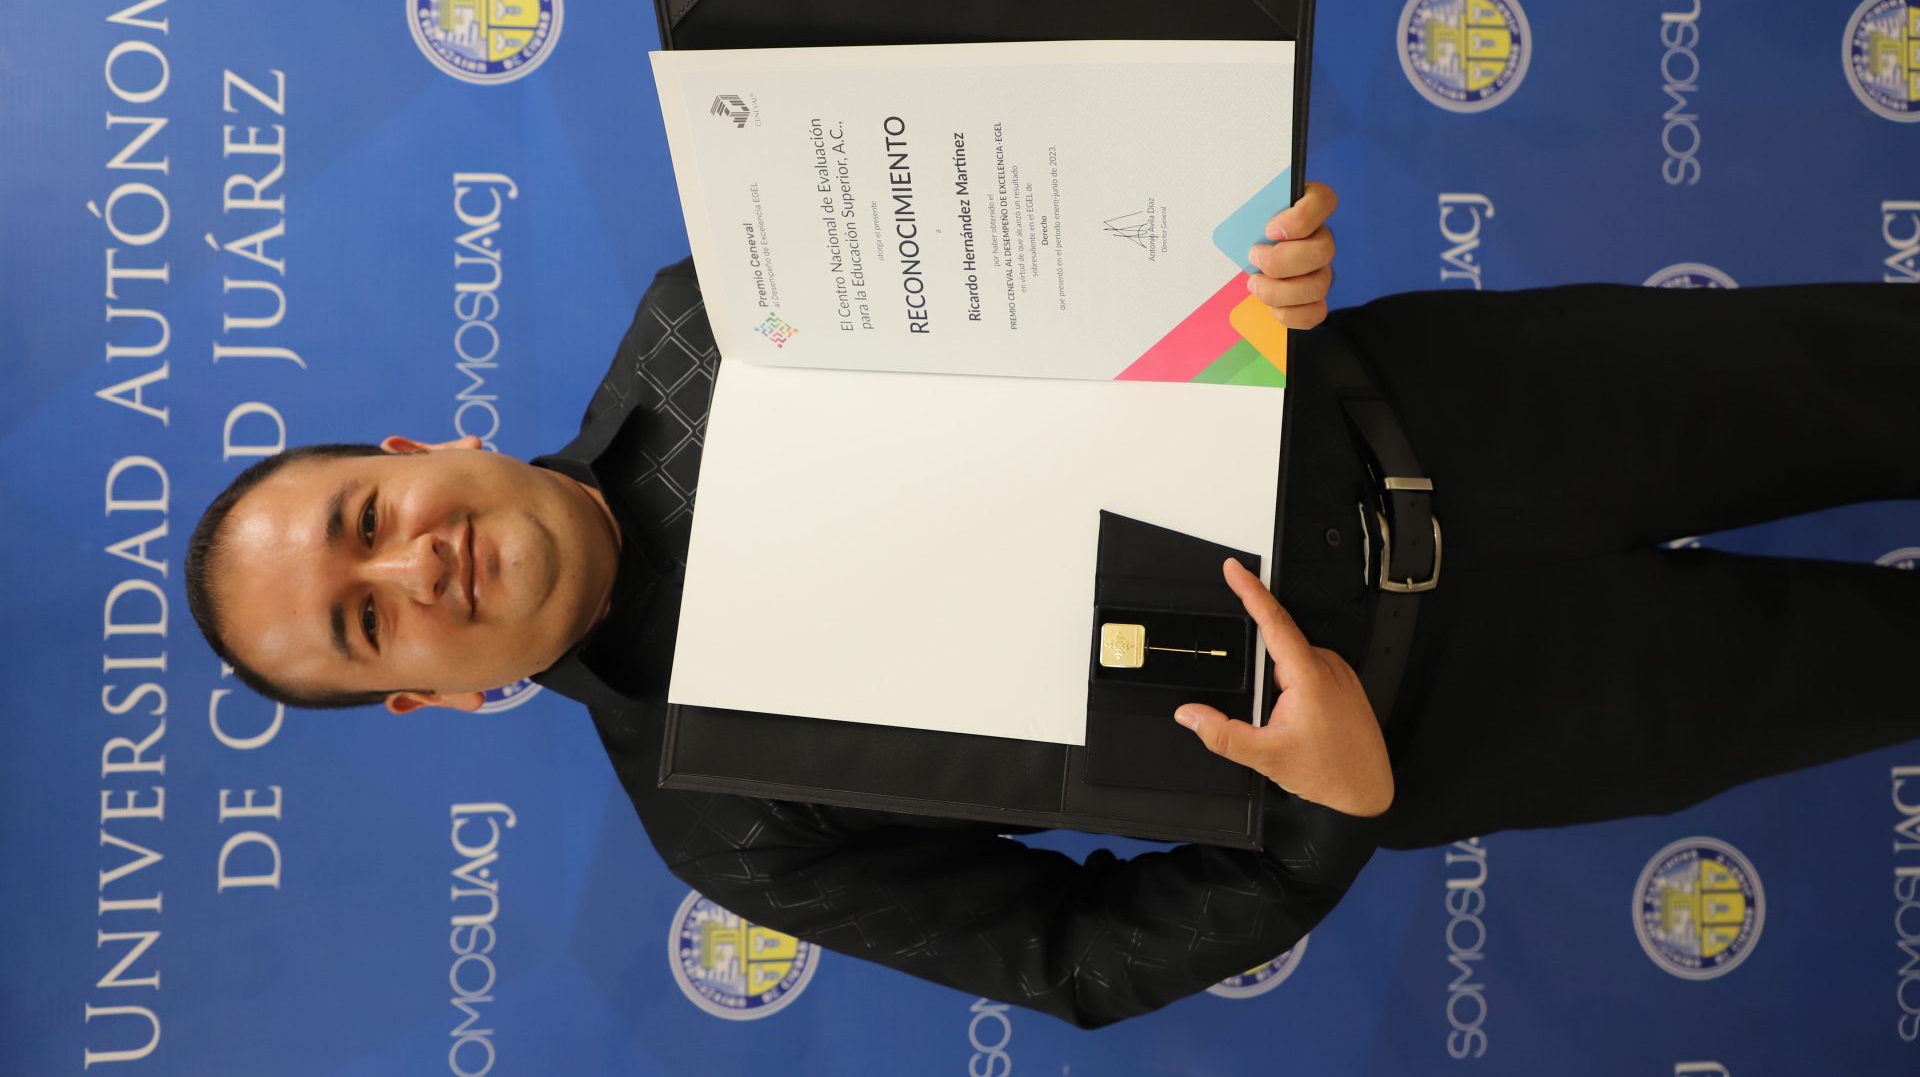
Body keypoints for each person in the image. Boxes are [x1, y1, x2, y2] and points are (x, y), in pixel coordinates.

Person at [184, 183, 1920, 1027]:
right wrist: (1323, 819)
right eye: (364, 621)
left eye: (365, 522)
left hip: (1475, 408)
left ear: (419, 450)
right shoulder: (723, 823)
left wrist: (1245, 258)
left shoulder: (710, 313)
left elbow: (1107, 232)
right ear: (427, 696)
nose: (412, 566)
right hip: (1477, 714)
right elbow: (1068, 956)